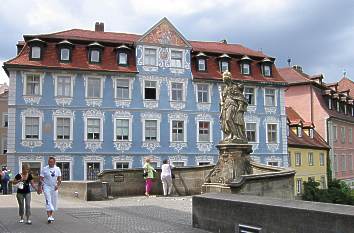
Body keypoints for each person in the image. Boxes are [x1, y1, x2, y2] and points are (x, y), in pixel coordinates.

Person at [38, 157, 62, 223]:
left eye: (51, 162)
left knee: (53, 202)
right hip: (46, 186)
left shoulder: (57, 169)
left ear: (54, 162)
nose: (50, 163)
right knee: (48, 200)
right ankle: (49, 216)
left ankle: (50, 216)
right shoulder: (45, 169)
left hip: (54, 187)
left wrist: (57, 185)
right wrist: (40, 187)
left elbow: (59, 179)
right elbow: (40, 178)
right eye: (49, 162)